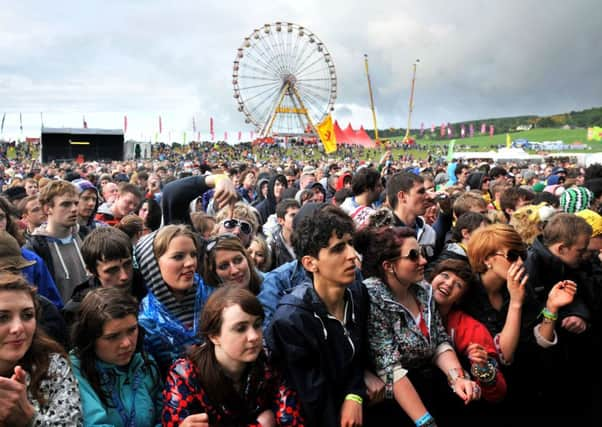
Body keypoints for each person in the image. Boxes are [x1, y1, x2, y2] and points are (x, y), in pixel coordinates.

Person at [354, 226, 480, 426]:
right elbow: (389, 369)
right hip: (395, 400)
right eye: (413, 256)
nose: (423, 261)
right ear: (388, 266)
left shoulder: (423, 290)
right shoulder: (371, 296)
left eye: (421, 253)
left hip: (428, 384)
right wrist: (424, 421)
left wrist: (457, 378)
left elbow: (439, 341)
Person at [265, 205, 368, 427]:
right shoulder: (291, 321)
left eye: (351, 243)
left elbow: (360, 356)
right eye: (338, 248)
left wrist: (355, 394)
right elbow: (314, 399)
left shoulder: (358, 294)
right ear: (310, 263)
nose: (352, 255)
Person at [465, 223, 578, 418]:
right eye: (511, 256)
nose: (519, 262)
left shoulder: (522, 284)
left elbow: (541, 339)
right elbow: (503, 355)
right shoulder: (468, 294)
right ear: (487, 259)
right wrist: (516, 302)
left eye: (522, 255)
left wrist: (551, 307)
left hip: (529, 382)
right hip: (490, 393)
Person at [163, 286, 303, 426]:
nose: (254, 336)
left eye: (257, 325)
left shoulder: (270, 362)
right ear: (214, 336)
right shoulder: (186, 374)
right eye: (240, 328)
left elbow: (292, 421)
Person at [70, 287, 162, 426]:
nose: (126, 343)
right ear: (90, 339)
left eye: (132, 330)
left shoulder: (145, 363)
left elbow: (165, 418)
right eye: (112, 337)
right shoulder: (76, 369)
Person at [0, 272, 82, 425]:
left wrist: (30, 419)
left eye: (27, 315)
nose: (18, 328)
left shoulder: (52, 366)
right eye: (2, 317)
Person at [136, 225, 214, 373]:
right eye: (178, 256)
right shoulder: (145, 323)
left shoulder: (215, 301)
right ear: (152, 265)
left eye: (193, 254)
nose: (190, 262)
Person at [430, 259, 507, 405]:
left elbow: (497, 393)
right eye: (445, 275)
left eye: (458, 284)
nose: (448, 284)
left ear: (461, 298)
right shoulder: (409, 303)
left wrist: (484, 368)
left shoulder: (471, 329)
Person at [26, 180, 89, 304]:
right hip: (59, 320)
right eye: (65, 204)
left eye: (76, 203)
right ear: (47, 208)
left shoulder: (86, 236)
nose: (74, 209)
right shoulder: (35, 248)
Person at [268, 199, 300, 269]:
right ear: (280, 221)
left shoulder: (305, 241)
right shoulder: (273, 247)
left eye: (299, 214)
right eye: (293, 215)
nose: (297, 218)